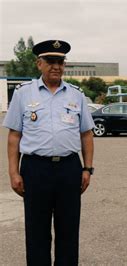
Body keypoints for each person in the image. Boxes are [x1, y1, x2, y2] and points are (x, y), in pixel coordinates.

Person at [2, 40, 95, 265]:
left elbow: (86, 134)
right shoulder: (23, 94)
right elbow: (14, 136)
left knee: (68, 230)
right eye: (50, 61)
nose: (56, 66)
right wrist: (14, 173)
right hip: (36, 169)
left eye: (60, 61)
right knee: (36, 231)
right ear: (39, 64)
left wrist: (87, 168)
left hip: (69, 168)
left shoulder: (76, 95)